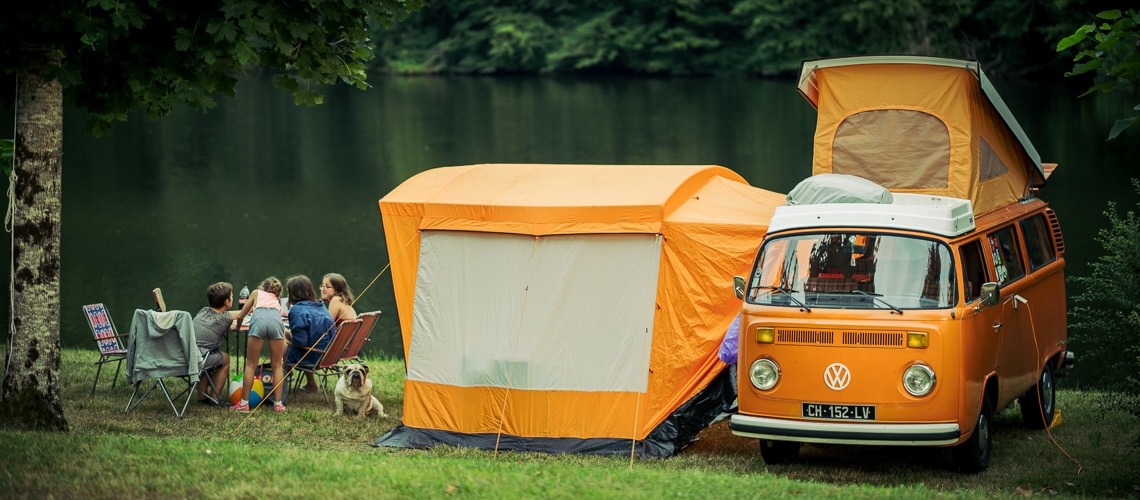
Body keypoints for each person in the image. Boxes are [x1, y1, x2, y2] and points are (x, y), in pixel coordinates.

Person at [231, 276, 287, 412]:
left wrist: (238, 327)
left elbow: (240, 315)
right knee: (278, 364)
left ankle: (244, 404)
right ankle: (278, 404)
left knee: (251, 364)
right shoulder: (276, 300)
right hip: (275, 321)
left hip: (259, 321)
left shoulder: (256, 293)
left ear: (263, 287)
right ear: (277, 292)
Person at [283, 275, 335, 394]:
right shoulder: (321, 306)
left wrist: (287, 334)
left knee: (280, 337)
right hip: (328, 355)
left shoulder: (296, 310)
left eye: (289, 292)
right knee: (308, 342)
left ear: (294, 293)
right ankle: (311, 384)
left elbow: (300, 342)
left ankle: (279, 385)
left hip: (311, 357)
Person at [193, 282, 238, 404]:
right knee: (225, 358)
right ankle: (215, 398)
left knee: (204, 351)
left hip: (187, 356)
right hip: (199, 360)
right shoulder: (225, 318)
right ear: (227, 302)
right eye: (232, 296)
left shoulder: (203, 311)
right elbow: (236, 315)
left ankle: (201, 397)